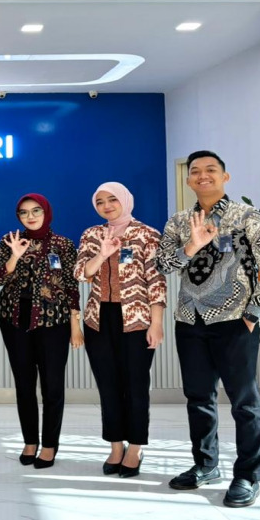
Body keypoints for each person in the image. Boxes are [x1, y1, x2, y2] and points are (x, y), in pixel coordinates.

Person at [157, 150, 260, 507]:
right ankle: (205, 464)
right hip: (189, 320)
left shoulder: (249, 217)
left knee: (244, 401)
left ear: (224, 177)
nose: (203, 175)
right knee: (199, 398)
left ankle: (247, 475)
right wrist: (191, 246)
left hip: (235, 321)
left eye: (211, 170)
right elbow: (163, 265)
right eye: (195, 171)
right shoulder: (178, 221)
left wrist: (254, 313)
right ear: (188, 180)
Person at [75, 182, 166, 478]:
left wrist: (156, 323)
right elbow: (81, 273)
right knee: (108, 384)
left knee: (136, 384)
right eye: (100, 201)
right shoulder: (91, 234)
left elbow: (156, 281)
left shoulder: (147, 234)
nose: (106, 206)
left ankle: (135, 447)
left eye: (112, 199)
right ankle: (115, 446)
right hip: (98, 318)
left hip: (137, 318)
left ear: (125, 200)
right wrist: (101, 254)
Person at [0, 193, 83, 468]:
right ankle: (30, 441)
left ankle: (50, 445)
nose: (30, 216)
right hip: (14, 321)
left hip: (53, 323)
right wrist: (15, 256)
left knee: (52, 386)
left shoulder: (63, 244)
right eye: (23, 212)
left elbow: (71, 287)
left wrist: (75, 326)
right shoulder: (10, 240)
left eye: (36, 211)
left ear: (46, 212)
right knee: (24, 385)